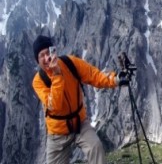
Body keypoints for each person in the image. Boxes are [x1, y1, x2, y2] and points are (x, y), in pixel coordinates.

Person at [32, 35, 128, 164]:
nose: (46, 58)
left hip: (79, 123)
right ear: (37, 60)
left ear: (53, 50)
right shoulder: (38, 81)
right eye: (41, 56)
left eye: (47, 52)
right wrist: (56, 75)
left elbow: (94, 76)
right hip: (57, 134)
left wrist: (116, 79)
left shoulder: (70, 63)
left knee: (96, 147)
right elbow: (54, 105)